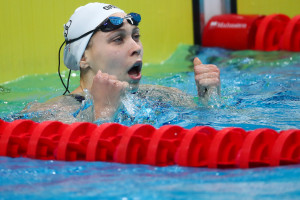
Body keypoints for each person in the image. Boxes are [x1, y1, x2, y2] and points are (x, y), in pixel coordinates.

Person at [21, 2, 220, 124]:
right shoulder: (51, 113)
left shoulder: (161, 96)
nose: (136, 47)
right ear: (83, 58)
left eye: (136, 36)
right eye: (118, 39)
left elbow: (212, 119)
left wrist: (209, 96)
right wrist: (103, 113)